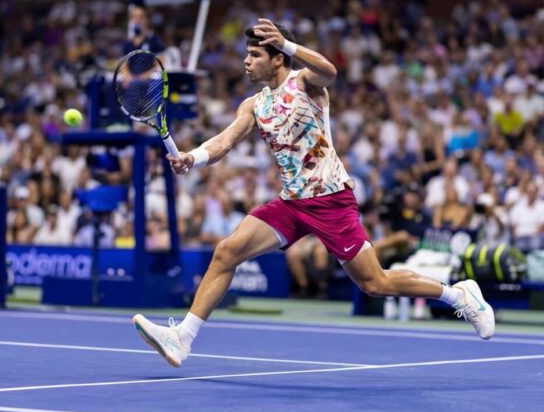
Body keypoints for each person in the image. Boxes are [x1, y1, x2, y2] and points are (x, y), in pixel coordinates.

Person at [133, 19, 495, 368]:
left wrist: (288, 44)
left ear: (277, 57)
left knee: (374, 283)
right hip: (291, 203)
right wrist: (191, 158)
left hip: (330, 199)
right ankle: (183, 336)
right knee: (227, 251)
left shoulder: (306, 82)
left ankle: (459, 295)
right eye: (246, 54)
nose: (246, 61)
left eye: (255, 55)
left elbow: (331, 71)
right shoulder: (254, 105)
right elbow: (224, 142)